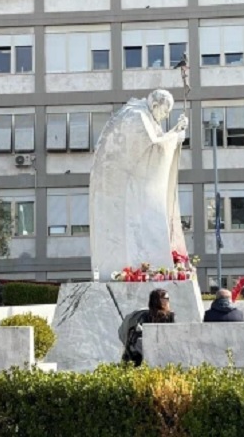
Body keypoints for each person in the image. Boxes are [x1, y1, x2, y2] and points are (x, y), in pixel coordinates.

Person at [89, 89, 189, 281]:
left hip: (132, 188)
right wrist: (175, 136)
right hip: (124, 192)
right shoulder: (136, 116)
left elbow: (154, 145)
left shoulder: (143, 115)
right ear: (155, 105)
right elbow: (151, 150)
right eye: (165, 111)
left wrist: (175, 131)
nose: (165, 116)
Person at [120, 288, 176, 366]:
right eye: (166, 298)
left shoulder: (142, 315)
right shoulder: (168, 316)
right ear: (160, 301)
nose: (168, 301)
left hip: (136, 359)